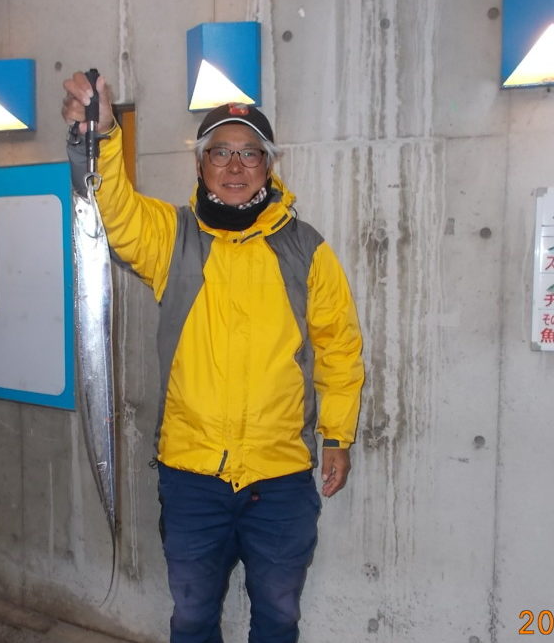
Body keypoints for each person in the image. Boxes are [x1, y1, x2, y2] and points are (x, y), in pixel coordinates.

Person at [62, 71, 365, 643]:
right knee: (193, 618)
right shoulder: (170, 237)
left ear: (268, 166)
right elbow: (115, 212)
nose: (234, 165)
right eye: (220, 152)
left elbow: (339, 347)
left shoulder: (307, 249)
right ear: (200, 165)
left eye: (249, 153)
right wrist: (99, 138)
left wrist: (338, 436)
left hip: (280, 477)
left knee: (278, 617)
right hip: (192, 477)